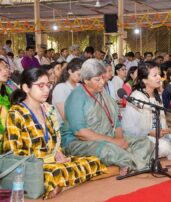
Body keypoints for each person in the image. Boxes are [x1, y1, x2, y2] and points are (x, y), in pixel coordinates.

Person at [3, 68, 107, 199]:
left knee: (93, 160)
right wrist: (46, 160)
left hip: (53, 162)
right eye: (40, 86)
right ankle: (63, 183)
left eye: (48, 85)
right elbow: (13, 152)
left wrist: (58, 154)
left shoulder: (47, 109)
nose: (46, 90)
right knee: (54, 173)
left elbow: (55, 140)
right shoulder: (16, 113)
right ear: (26, 88)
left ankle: (62, 184)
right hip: (30, 168)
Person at [61, 59, 154, 174]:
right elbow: (81, 133)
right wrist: (115, 142)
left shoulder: (102, 93)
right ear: (85, 80)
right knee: (109, 149)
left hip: (108, 136)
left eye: (103, 78)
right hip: (78, 142)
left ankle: (131, 164)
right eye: (97, 79)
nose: (102, 82)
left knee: (144, 142)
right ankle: (139, 165)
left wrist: (120, 139)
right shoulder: (76, 97)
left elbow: (116, 121)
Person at [122, 62, 171, 161]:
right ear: (145, 80)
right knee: (164, 147)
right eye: (155, 75)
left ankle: (167, 150)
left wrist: (169, 131)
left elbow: (162, 122)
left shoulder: (157, 95)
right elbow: (129, 129)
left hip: (160, 137)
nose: (159, 77)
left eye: (159, 74)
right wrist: (150, 132)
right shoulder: (136, 97)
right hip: (143, 139)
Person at [52, 58, 83, 126]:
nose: (81, 78)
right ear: (70, 71)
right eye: (78, 74)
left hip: (79, 123)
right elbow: (65, 117)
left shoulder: (80, 86)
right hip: (64, 127)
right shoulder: (60, 88)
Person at [0, 59, 12, 154]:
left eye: (6, 67)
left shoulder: (7, 90)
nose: (6, 70)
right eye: (2, 68)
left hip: (7, 140)